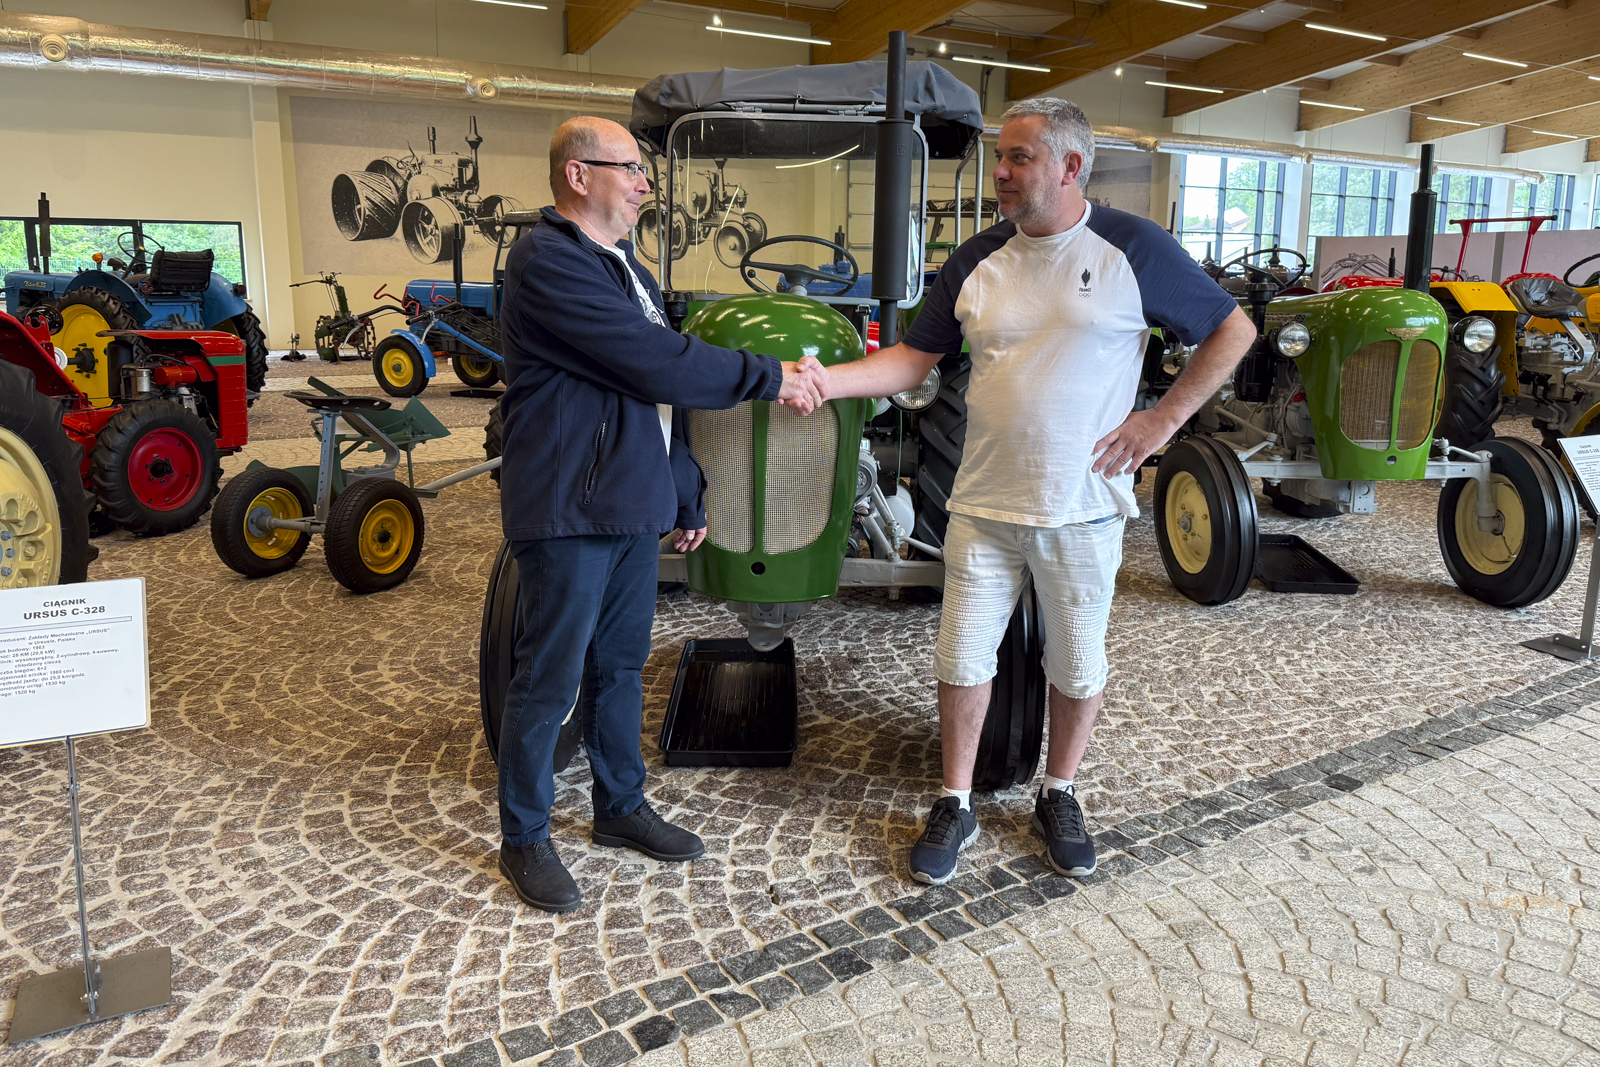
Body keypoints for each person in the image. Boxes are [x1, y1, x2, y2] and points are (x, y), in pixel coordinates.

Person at [797, 97, 1255, 885]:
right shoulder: (978, 258)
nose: (1001, 174)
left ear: (1071, 166)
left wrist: (1162, 421)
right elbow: (911, 361)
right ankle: (956, 801)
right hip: (982, 504)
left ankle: (1060, 792)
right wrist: (822, 381)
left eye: (1019, 158)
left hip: (1083, 508)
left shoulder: (1131, 247)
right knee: (961, 658)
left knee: (1076, 664)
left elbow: (1233, 330)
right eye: (998, 158)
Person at [495, 115, 823, 912]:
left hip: (629, 505)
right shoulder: (547, 260)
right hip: (570, 508)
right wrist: (768, 376)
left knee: (620, 667)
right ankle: (524, 837)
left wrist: (684, 487)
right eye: (630, 169)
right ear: (579, 176)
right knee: (549, 677)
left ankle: (620, 807)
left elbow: (656, 400)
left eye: (645, 171)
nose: (645, 184)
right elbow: (649, 359)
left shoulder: (629, 268)